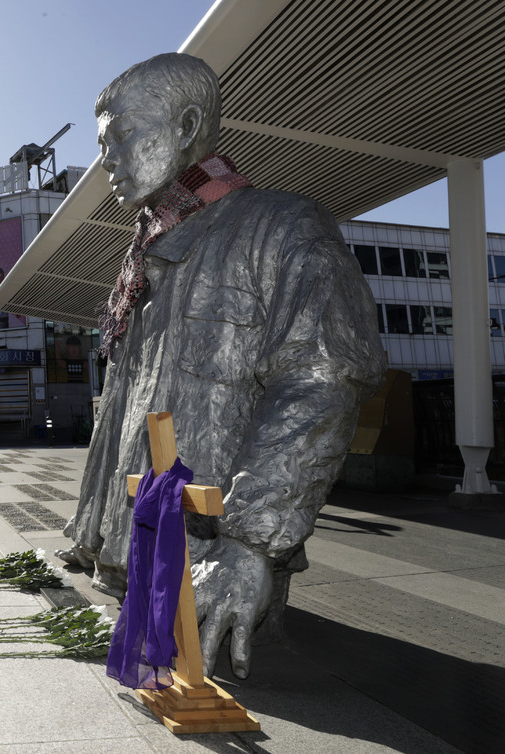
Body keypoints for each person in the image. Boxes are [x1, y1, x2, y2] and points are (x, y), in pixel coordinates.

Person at [55, 53, 385, 680]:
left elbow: (322, 379)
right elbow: (125, 410)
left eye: (123, 136)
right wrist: (93, 534)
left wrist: (251, 542)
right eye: (103, 145)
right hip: (141, 570)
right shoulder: (142, 258)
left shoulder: (285, 229)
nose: (109, 160)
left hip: (215, 567)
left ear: (184, 126)